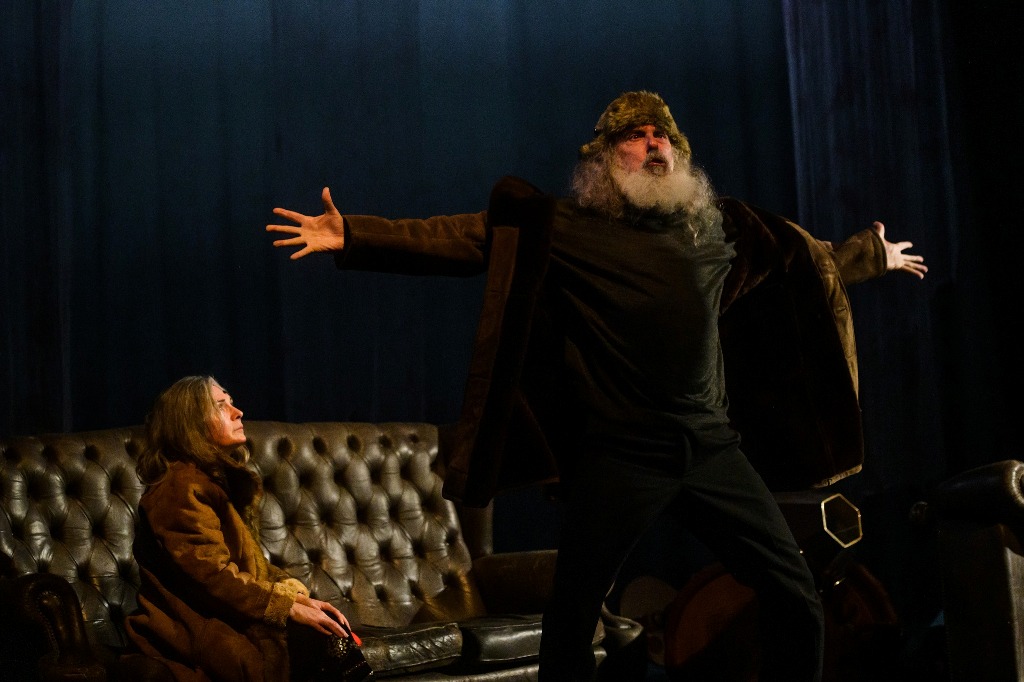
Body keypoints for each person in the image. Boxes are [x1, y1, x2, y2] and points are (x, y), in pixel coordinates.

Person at [265, 91, 926, 681]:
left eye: (662, 135)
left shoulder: (717, 228)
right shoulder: (568, 228)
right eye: (636, 135)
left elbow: (804, 262)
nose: (654, 144)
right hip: (621, 458)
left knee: (795, 595)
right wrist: (354, 235)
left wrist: (870, 255)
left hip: (711, 452)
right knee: (573, 618)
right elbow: (463, 238)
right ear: (607, 158)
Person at [124, 375, 373, 682]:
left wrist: (297, 598)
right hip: (198, 635)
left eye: (231, 402)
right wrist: (284, 606)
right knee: (324, 645)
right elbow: (212, 576)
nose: (237, 412)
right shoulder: (179, 489)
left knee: (330, 631)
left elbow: (249, 567)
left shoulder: (207, 482)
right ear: (189, 422)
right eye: (220, 405)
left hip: (228, 621)